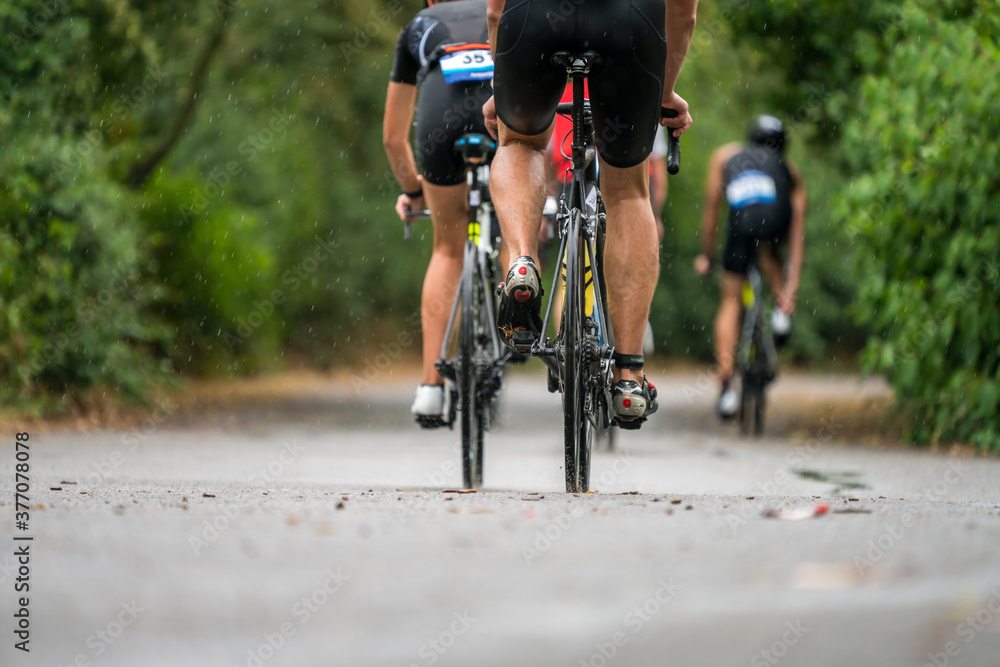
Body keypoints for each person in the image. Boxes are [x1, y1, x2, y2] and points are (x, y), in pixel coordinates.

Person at [482, 0, 698, 428]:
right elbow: (684, 14)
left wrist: (502, 84)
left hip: (534, 17)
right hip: (629, 22)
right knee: (627, 190)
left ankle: (523, 261)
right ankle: (629, 376)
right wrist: (662, 92)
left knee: (519, 144)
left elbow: (493, 11)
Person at [383, 0, 492, 425]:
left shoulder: (420, 24)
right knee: (516, 214)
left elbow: (393, 138)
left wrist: (413, 192)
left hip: (438, 118)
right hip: (498, 112)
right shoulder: (507, 12)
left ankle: (431, 386)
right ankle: (519, 312)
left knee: (448, 249)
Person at [694, 115, 807, 418]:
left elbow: (711, 215)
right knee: (769, 250)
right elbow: (797, 235)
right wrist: (791, 287)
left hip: (741, 227)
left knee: (730, 303)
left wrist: (707, 255)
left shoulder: (725, 156)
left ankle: (726, 387)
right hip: (774, 225)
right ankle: (781, 311)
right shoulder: (789, 170)